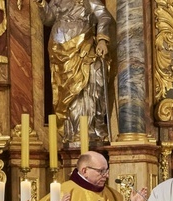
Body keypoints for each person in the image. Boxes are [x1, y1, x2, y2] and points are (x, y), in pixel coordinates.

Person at [36, 0, 114, 145]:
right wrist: (42, 4)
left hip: (84, 45)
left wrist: (102, 39)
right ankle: (71, 131)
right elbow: (48, 19)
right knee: (66, 91)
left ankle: (87, 130)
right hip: (59, 47)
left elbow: (104, 16)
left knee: (87, 86)